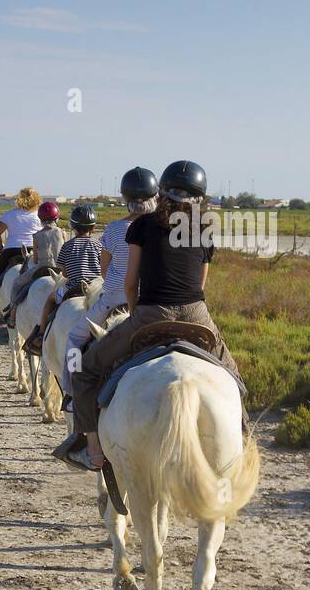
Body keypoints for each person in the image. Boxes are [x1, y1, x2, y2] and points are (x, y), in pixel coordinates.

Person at [62, 160, 241, 471]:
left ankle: (91, 450)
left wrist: (136, 314)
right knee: (234, 378)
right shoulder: (206, 226)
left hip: (150, 311)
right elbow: (200, 285)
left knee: (85, 371)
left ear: (163, 191)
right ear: (201, 196)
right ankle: (241, 443)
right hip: (197, 315)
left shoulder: (142, 225)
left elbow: (131, 283)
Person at [60, 167, 158, 401]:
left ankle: (72, 391)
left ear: (126, 199)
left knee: (75, 338)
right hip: (151, 301)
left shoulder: (115, 228)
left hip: (114, 297)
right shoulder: (160, 229)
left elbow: (104, 268)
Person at [23, 204, 101, 354]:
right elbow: (103, 270)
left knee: (50, 300)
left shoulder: (68, 246)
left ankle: (41, 333)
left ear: (73, 226)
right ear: (93, 227)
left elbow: (64, 273)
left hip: (72, 288)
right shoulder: (98, 245)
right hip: (93, 289)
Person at [0, 187, 43, 315]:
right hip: (34, 250)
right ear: (37, 200)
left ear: (19, 199)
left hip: (12, 249)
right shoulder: (39, 216)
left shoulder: (10, 215)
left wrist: (1, 249)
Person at [4, 202, 64, 324]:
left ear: (41, 219)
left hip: (42, 268)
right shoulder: (62, 232)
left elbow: (35, 260)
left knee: (16, 283)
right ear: (56, 218)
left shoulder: (36, 235)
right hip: (60, 269)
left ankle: (12, 311)